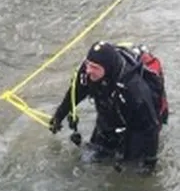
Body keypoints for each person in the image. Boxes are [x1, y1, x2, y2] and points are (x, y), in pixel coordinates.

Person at [48, 41, 168, 174]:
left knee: (130, 168)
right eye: (88, 65)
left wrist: (150, 163)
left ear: (108, 67)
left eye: (94, 67)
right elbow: (74, 93)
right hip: (108, 116)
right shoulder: (87, 72)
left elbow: (150, 126)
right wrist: (58, 116)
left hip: (135, 125)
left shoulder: (134, 88)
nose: (88, 71)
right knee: (90, 158)